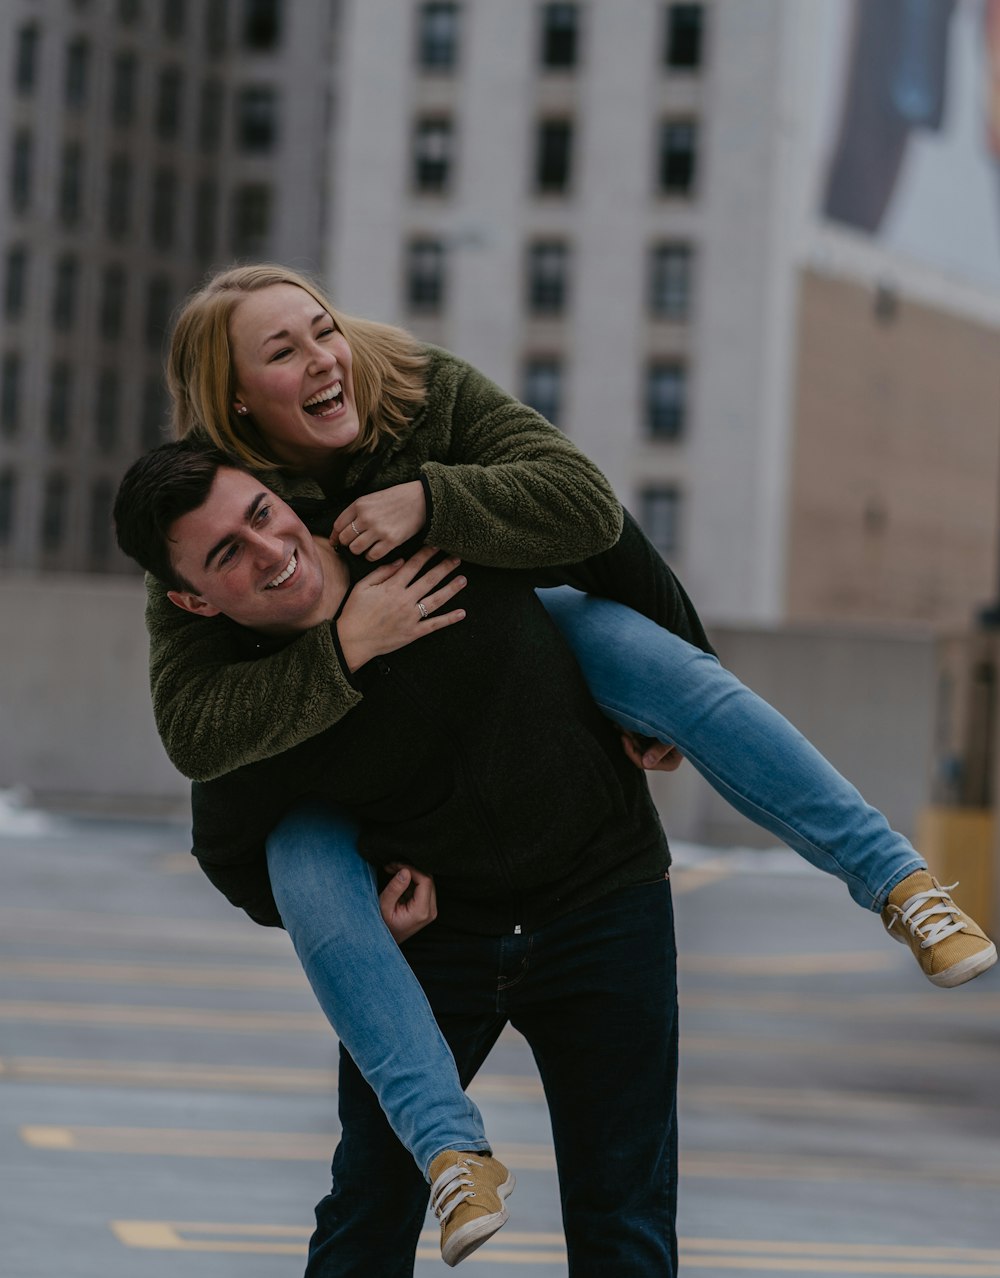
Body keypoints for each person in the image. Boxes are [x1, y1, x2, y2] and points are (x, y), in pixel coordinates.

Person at [145, 262, 994, 1001]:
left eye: (322, 329)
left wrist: (434, 501)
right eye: (283, 352)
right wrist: (342, 646)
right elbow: (197, 731)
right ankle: (452, 1163)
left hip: (517, 644)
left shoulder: (419, 389)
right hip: (399, 801)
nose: (324, 359)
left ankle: (899, 883)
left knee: (640, 653)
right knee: (374, 1160)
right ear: (236, 398)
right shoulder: (210, 514)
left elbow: (590, 509)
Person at [115, 439, 698, 1278]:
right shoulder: (249, 693)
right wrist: (368, 891)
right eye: (226, 555)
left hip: (598, 896)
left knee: (624, 1211)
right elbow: (234, 847)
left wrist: (671, 670)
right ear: (193, 602)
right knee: (370, 1202)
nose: (267, 550)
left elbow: (603, 531)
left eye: (259, 513)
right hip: (437, 944)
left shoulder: (414, 532)